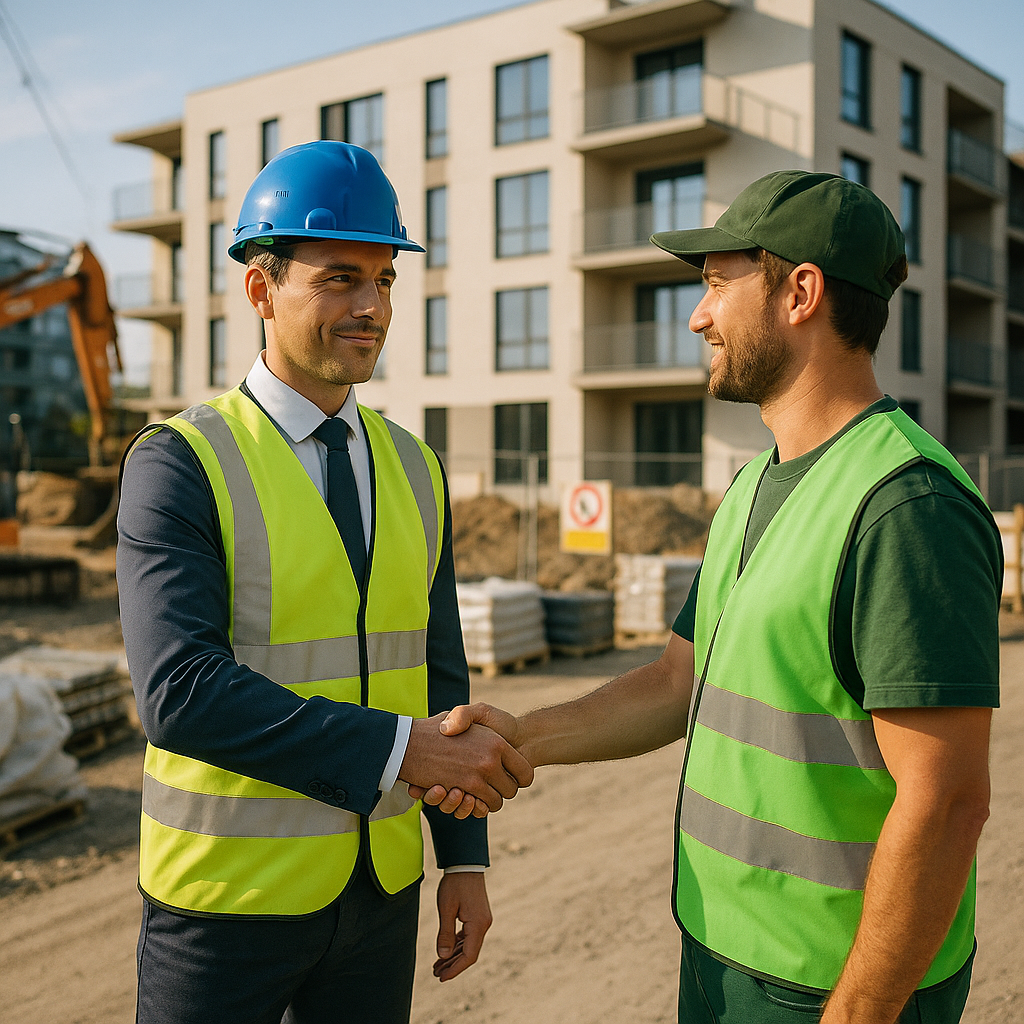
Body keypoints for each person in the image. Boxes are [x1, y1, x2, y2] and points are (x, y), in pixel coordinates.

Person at [414, 170, 1002, 1023]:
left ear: (801, 292)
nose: (698, 316)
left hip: (829, 985)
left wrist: (859, 1011)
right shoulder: (758, 484)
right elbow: (676, 683)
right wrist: (525, 737)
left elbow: (947, 803)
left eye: (718, 283)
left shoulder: (906, 508)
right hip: (725, 955)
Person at [116, 140, 533, 1024]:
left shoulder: (416, 468)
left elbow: (439, 676)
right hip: (227, 901)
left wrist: (463, 858)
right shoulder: (181, 462)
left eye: (385, 281)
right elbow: (178, 692)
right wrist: (400, 753)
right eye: (340, 278)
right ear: (260, 289)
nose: (371, 307)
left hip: (381, 894)